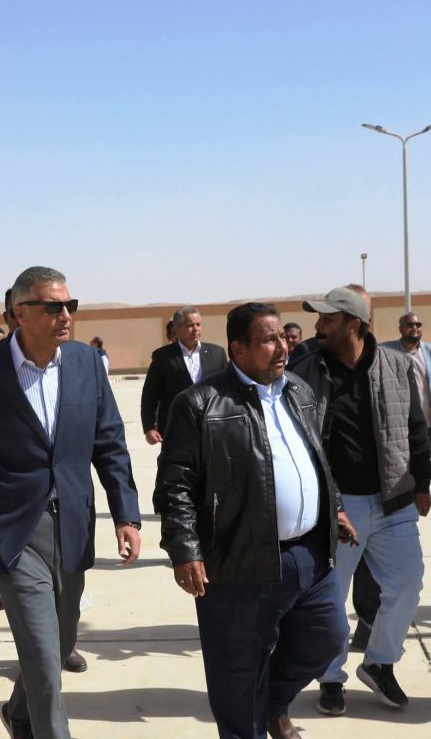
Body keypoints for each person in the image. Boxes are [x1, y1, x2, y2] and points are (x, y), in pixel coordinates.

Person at [0, 266, 142, 739]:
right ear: (19, 313)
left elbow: (109, 442)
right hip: (15, 533)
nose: (65, 315)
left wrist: (126, 514)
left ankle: (18, 713)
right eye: (53, 307)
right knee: (45, 660)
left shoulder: (86, 363)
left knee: (61, 642)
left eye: (70, 305)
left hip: (72, 526)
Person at [154, 303, 357, 739]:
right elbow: (174, 486)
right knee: (237, 676)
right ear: (238, 349)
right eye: (269, 340)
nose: (283, 347)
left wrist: (335, 506)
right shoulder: (199, 403)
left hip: (309, 554)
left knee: (328, 636)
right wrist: (184, 551)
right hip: (237, 562)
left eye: (282, 337)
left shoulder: (298, 390)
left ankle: (273, 706)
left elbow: (316, 458)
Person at [290, 286, 430, 715]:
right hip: (337, 507)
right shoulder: (306, 369)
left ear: (354, 324)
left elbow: (418, 426)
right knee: (331, 596)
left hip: (393, 500)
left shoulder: (398, 365)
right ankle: (331, 678)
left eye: (327, 319)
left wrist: (423, 483)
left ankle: (380, 663)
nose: (318, 326)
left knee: (407, 582)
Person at [140, 306, 227, 445]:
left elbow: (227, 391)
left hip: (212, 428)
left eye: (198, 324)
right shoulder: (163, 357)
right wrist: (149, 427)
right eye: (190, 325)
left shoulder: (217, 354)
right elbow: (150, 395)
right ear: (177, 328)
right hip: (175, 429)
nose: (196, 329)